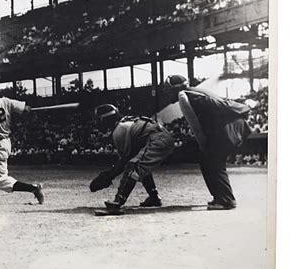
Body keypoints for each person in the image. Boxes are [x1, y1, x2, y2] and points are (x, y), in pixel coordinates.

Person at [167, 75, 252, 210]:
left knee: (214, 163)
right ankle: (220, 197)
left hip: (225, 129)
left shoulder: (188, 95)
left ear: (176, 88)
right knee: (207, 161)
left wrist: (243, 108)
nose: (168, 92)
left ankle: (226, 200)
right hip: (223, 129)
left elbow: (216, 108)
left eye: (169, 89)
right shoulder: (193, 92)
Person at [90, 104, 175, 211]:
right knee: (141, 165)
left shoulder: (119, 130)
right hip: (163, 137)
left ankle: (118, 201)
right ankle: (154, 197)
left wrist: (110, 176)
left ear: (106, 120)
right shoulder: (126, 122)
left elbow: (124, 161)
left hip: (157, 139)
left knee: (133, 166)